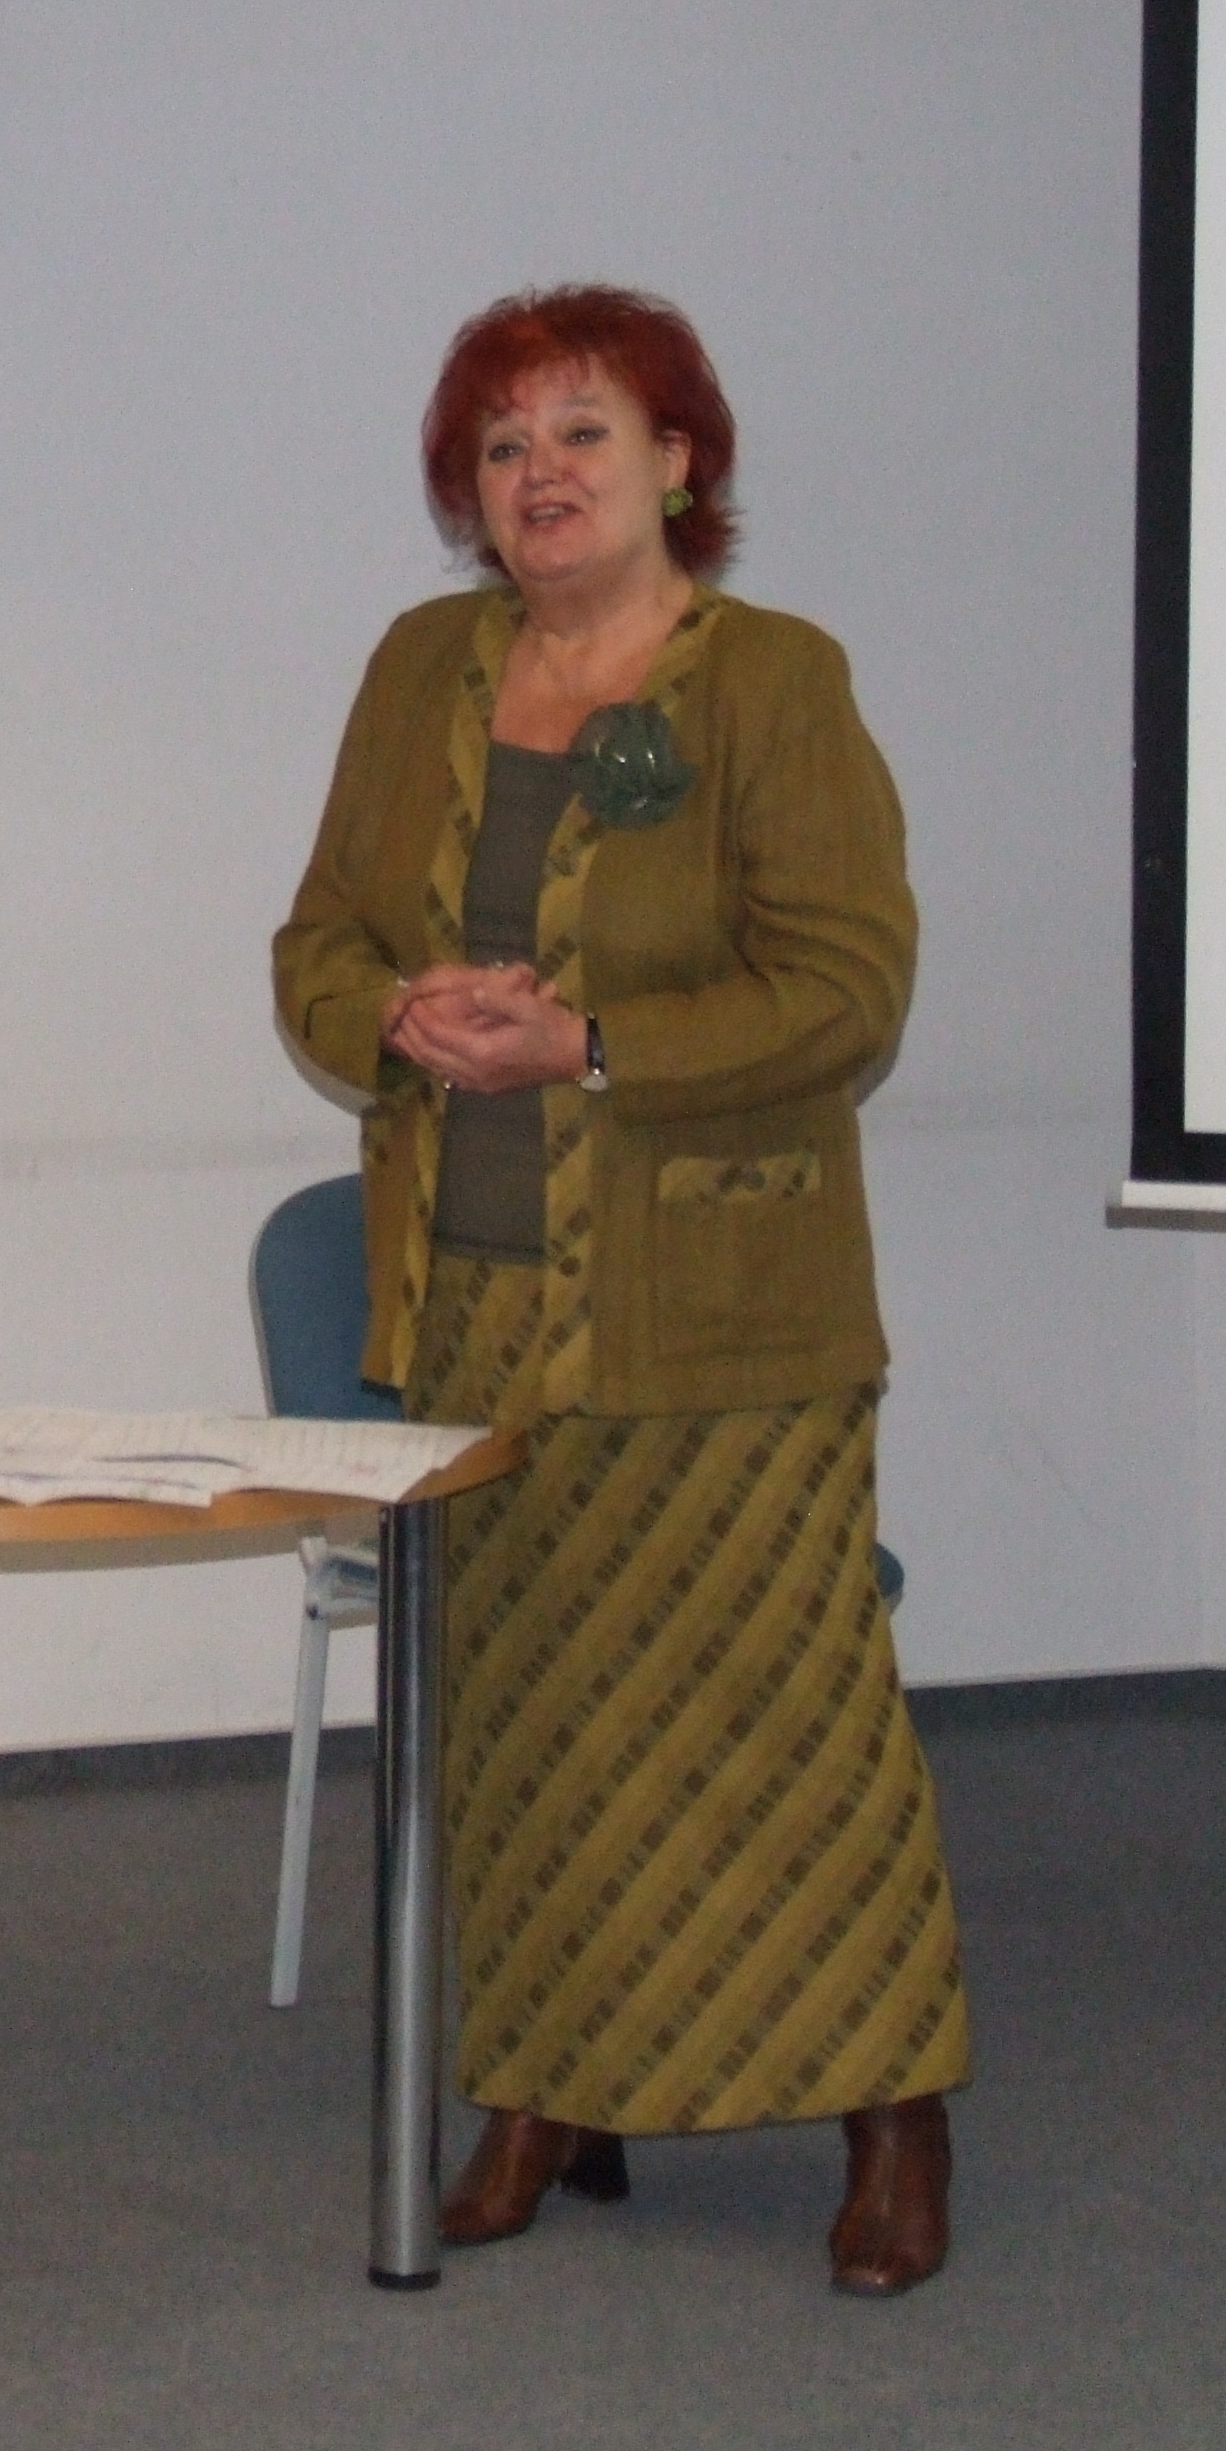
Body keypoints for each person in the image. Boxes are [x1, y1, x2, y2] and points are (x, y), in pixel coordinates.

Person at [272, 287, 968, 2297]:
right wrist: (394, 1014)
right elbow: (314, 945)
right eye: (501, 447)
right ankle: (545, 2095)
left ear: (678, 462)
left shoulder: (776, 683)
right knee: (524, 1734)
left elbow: (844, 992)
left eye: (583, 430)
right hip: (472, 1308)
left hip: (719, 1320)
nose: (541, 474)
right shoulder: (419, 672)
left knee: (788, 1723)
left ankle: (893, 2114)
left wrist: (588, 1048)